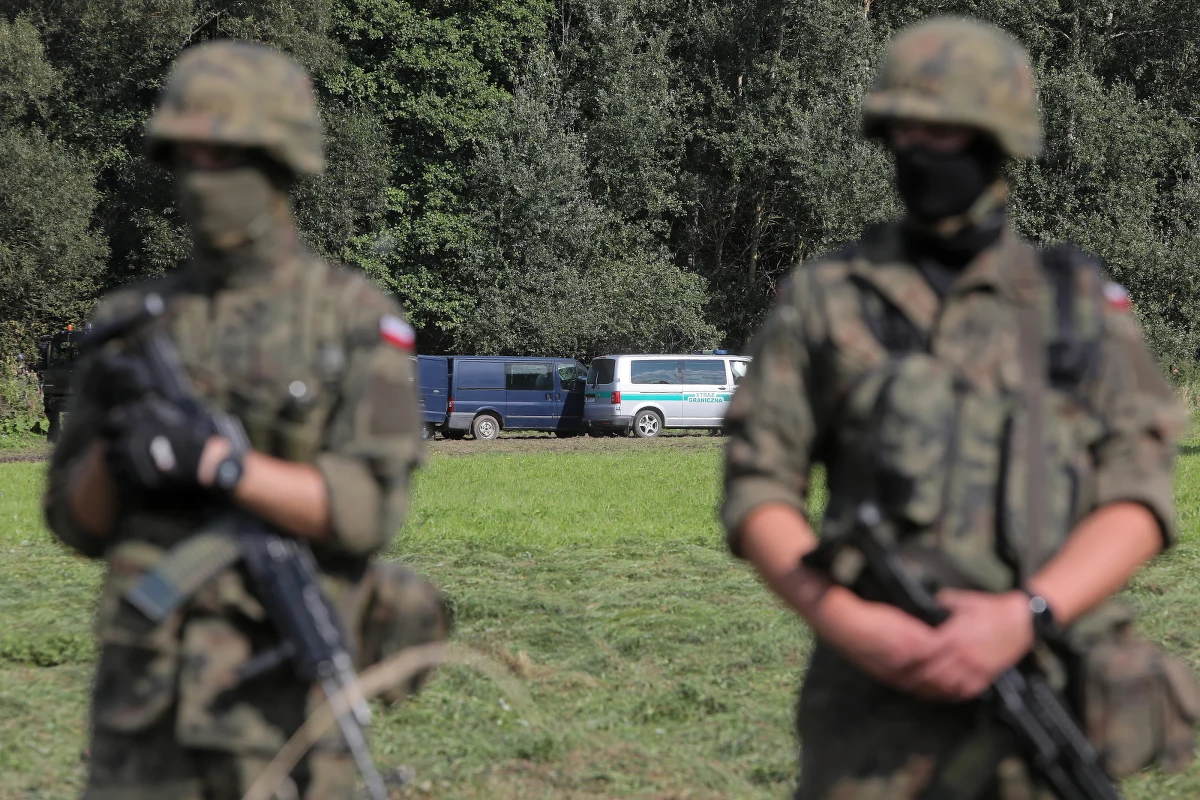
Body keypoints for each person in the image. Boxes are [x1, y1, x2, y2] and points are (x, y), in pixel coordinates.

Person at [722, 17, 1193, 799]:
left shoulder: (1076, 307)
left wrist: (1026, 614)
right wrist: (858, 628)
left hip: (1044, 702)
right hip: (871, 731)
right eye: (907, 126)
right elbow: (757, 489)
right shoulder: (826, 300)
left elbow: (1138, 496)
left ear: (997, 139)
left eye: (947, 130)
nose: (922, 146)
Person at [44, 40, 449, 800]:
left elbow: (369, 511)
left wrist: (222, 465)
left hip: (286, 707)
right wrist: (120, 447)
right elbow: (73, 523)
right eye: (187, 156)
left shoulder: (351, 320)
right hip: (144, 720)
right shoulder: (128, 324)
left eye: (224, 155)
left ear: (280, 162)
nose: (203, 178)